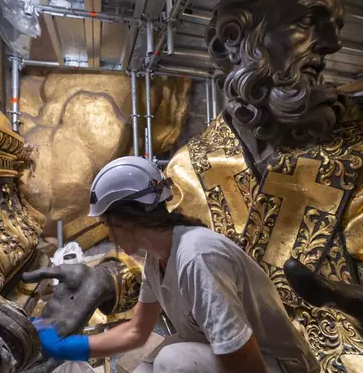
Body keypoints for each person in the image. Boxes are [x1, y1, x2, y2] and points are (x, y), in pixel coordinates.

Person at [24, 156, 318, 373]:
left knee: (171, 362)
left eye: (107, 223)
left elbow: (243, 359)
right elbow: (136, 332)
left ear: (125, 219)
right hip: (232, 358)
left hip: (275, 365)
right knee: (144, 370)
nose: (109, 233)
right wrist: (69, 346)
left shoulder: (197, 256)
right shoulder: (157, 260)